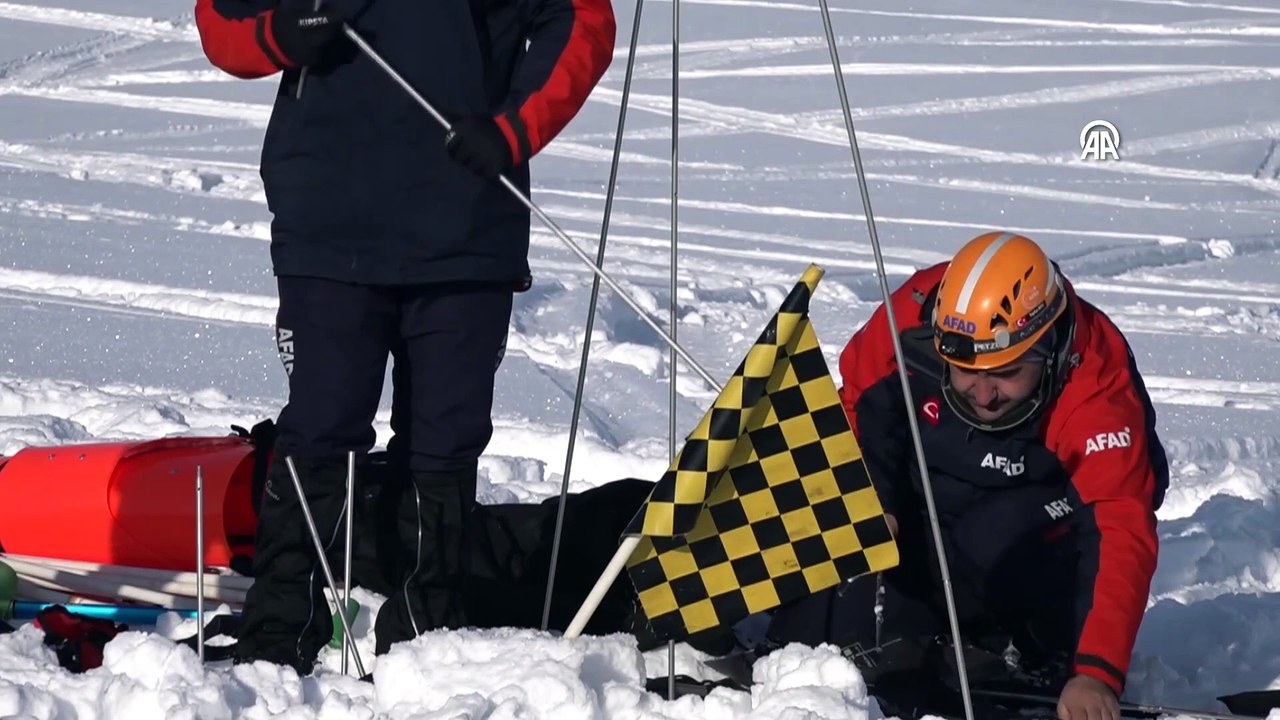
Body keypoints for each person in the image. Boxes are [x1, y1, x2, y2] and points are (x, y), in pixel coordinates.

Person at [193, 0, 616, 675]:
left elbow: (582, 21)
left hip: (467, 225)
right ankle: (279, 630)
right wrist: (279, 32)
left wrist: (513, 129)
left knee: (445, 437)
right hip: (329, 224)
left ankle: (427, 633)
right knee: (321, 426)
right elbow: (221, 21)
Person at [765, 231, 1169, 720]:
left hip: (1036, 514)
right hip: (940, 486)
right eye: (964, 371)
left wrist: (1096, 673)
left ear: (1048, 351)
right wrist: (877, 497)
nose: (984, 394)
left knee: (989, 540)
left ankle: (1028, 648)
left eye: (1007, 373)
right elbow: (861, 411)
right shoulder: (910, 319)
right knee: (829, 599)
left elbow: (1119, 525)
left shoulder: (1096, 385)